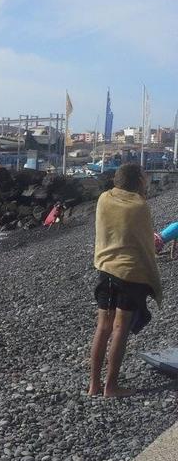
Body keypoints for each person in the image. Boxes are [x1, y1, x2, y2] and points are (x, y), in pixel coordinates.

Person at [90, 163, 162, 398]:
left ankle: (94, 385)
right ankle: (111, 387)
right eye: (144, 177)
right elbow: (145, 246)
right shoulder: (140, 206)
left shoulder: (104, 199)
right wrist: (154, 280)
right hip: (130, 273)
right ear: (138, 180)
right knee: (120, 329)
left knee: (102, 327)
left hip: (105, 270)